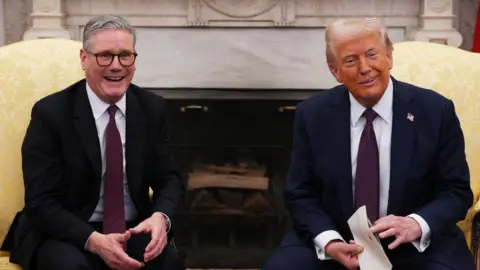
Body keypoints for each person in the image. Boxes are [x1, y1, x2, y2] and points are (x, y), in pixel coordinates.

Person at [263, 18, 475, 270]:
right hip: (338, 239)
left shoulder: (435, 111)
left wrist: (416, 224)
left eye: (372, 54)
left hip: (415, 243)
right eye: (350, 60)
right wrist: (329, 241)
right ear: (335, 71)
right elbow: (300, 193)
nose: (365, 68)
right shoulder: (312, 114)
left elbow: (456, 191)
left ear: (389, 56)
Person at [1, 15, 185, 270]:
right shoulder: (51, 113)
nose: (116, 65)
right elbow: (41, 201)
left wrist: (160, 218)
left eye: (125, 55)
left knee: (169, 263)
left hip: (130, 230)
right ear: (84, 59)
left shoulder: (152, 108)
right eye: (105, 55)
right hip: (64, 231)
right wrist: (93, 240)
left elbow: (170, 179)